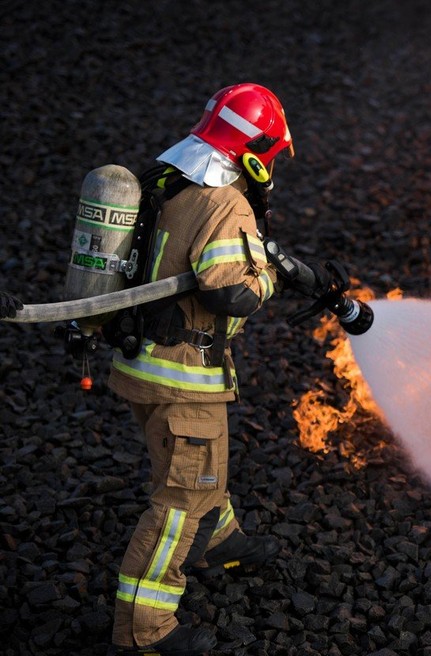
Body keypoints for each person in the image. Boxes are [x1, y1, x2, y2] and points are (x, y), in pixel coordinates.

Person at [103, 83, 340, 656]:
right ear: (255, 152)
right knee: (181, 496)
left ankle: (219, 541)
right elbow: (230, 293)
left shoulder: (171, 180)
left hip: (146, 362)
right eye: (273, 155)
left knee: (206, 464)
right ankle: (144, 631)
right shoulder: (225, 202)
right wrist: (265, 274)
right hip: (182, 373)